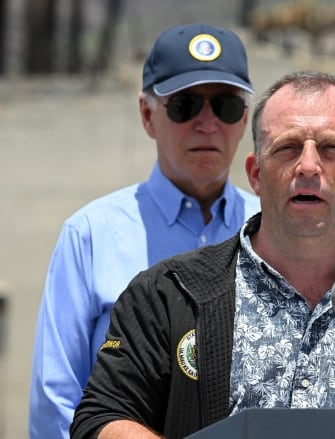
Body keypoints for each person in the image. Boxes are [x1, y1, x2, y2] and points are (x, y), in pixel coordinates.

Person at [70, 71, 335, 439]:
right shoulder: (167, 294)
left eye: (331, 148)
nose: (308, 166)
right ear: (255, 174)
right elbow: (103, 417)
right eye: (288, 148)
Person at [29, 23, 260, 438]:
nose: (207, 124)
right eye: (184, 105)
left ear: (244, 120)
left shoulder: (276, 229)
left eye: (225, 105)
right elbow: (56, 406)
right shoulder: (90, 236)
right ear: (147, 115)